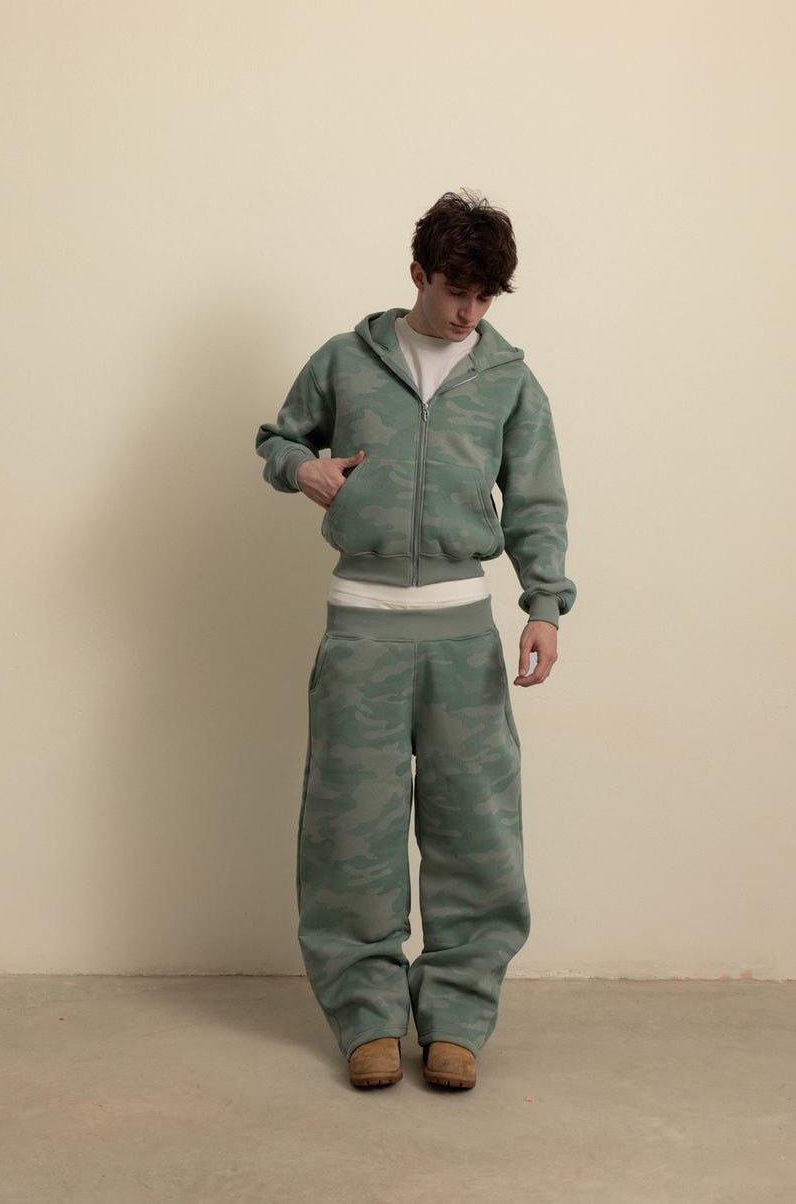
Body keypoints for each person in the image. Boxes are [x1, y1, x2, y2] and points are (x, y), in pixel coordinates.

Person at [255, 189, 576, 1091]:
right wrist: (303, 467)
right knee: (349, 833)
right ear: (418, 275)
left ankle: (457, 1020)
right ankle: (366, 1017)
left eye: (484, 297)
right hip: (360, 633)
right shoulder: (345, 361)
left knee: (476, 832)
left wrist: (545, 606)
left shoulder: (508, 380)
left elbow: (538, 500)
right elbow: (278, 441)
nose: (468, 312)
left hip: (462, 638)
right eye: (454, 291)